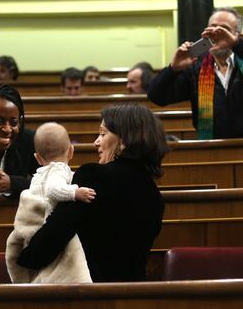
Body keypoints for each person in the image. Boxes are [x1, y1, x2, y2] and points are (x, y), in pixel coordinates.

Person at [16, 103, 168, 282]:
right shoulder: (154, 194)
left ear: (124, 141)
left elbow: (55, 234)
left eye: (103, 134)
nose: (96, 142)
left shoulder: (95, 175)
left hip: (89, 295)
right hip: (134, 296)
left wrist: (24, 259)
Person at [148, 7, 243, 139]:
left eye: (224, 30)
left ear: (238, 37)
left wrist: (237, 45)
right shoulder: (195, 69)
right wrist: (173, 68)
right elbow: (157, 96)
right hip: (211, 149)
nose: (217, 34)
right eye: (213, 28)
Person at [6, 122, 95, 284]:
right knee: (64, 266)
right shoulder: (59, 169)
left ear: (38, 158)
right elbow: (54, 190)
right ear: (71, 151)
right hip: (44, 224)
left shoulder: (40, 174)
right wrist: (75, 192)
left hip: (32, 231)